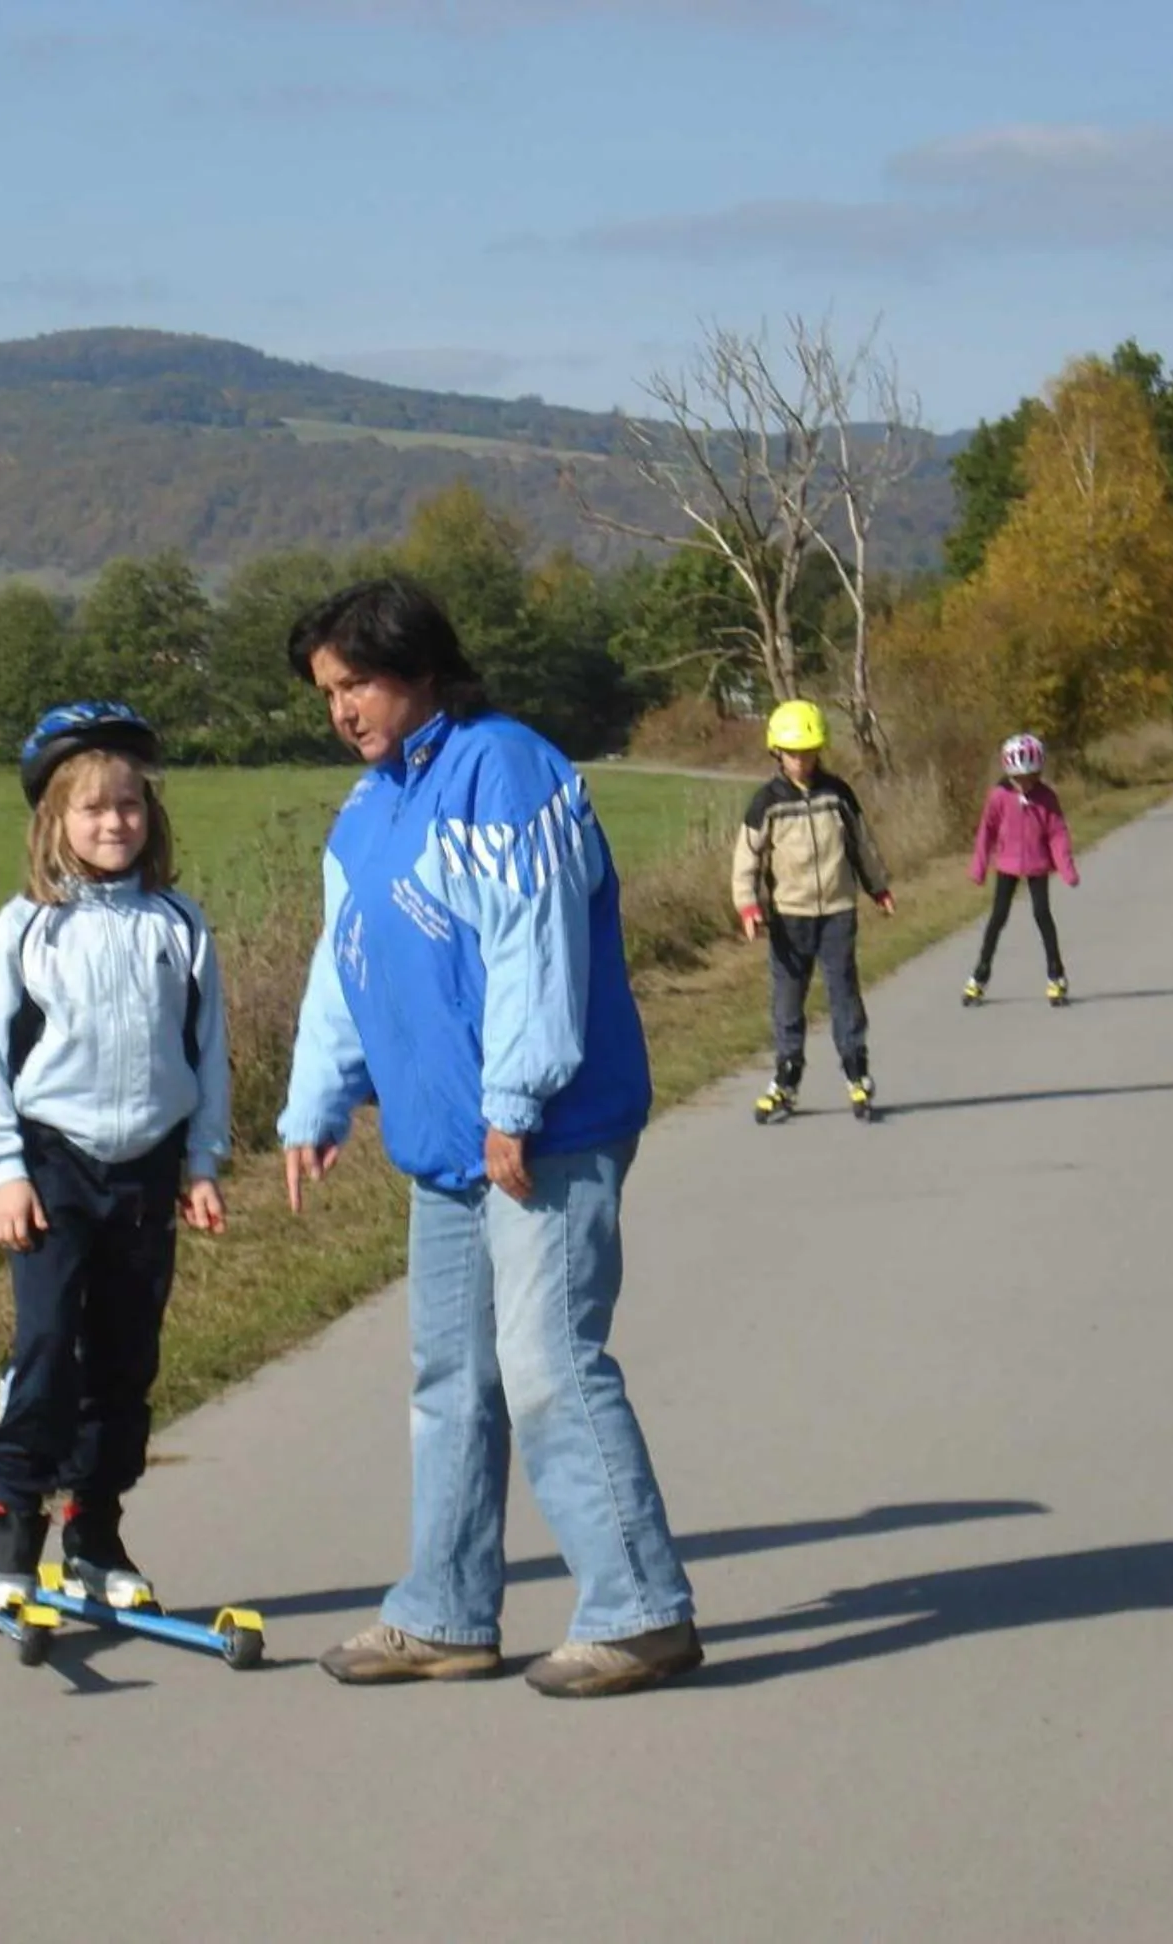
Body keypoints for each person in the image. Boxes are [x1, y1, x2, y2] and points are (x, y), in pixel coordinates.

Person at [277, 577, 701, 1700]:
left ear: (419, 669)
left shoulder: (504, 767)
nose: (342, 710)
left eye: (356, 683)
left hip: (545, 1130)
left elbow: (536, 945)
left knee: (549, 1361)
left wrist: (516, 1100)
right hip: (444, 1140)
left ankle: (639, 1609)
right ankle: (446, 1613)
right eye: (327, 692)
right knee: (452, 1378)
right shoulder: (370, 809)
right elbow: (344, 964)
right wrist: (316, 1101)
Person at [0, 701, 231, 1614]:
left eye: (129, 805)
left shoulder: (179, 924)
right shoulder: (27, 928)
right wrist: (4, 1169)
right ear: (54, 822)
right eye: (92, 809)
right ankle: (13, 1535)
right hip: (51, 1170)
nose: (115, 822)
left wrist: (202, 1162)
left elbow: (208, 1055)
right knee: (47, 1349)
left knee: (126, 1358)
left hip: (147, 1169)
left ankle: (95, 1533)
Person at [729, 700, 896, 1124]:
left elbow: (861, 844)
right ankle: (787, 1076)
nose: (801, 762)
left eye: (808, 752)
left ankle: (857, 1072)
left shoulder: (837, 794)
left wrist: (878, 887)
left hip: (838, 910)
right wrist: (748, 905)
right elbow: (746, 860)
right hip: (789, 916)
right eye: (793, 753)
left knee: (844, 993)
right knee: (787, 1000)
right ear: (777, 753)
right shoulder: (766, 802)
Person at [964, 731, 1080, 1007]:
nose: (1026, 784)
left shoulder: (1046, 797)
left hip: (1037, 864)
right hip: (1007, 863)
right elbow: (986, 832)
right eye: (1021, 779)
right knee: (997, 918)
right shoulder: (999, 797)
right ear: (1010, 774)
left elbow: (1057, 832)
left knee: (1042, 916)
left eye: (1032, 777)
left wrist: (1066, 867)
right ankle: (979, 976)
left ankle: (1056, 977)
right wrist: (979, 867)